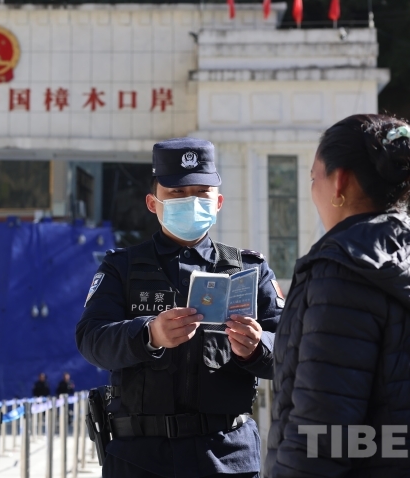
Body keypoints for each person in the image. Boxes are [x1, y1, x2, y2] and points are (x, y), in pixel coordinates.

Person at [266, 114, 410, 477]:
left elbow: (321, 434)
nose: (313, 189)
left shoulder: (343, 269)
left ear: (339, 182)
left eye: (314, 178)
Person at [76, 137, 284, 478]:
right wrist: (149, 334)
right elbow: (91, 339)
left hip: (226, 456)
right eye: (177, 193)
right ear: (152, 203)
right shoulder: (122, 267)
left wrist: (257, 347)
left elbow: (293, 349)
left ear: (218, 202)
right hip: (140, 459)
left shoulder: (249, 270)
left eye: (202, 193)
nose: (191, 201)